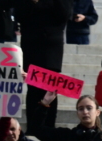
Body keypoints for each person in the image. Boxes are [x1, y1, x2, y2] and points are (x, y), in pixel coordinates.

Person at [14, 0, 73, 133]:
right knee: (33, 87)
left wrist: (39, 4)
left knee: (50, 87)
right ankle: (32, 128)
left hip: (52, 45)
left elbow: (65, 14)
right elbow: (19, 14)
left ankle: (48, 127)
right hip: (31, 44)